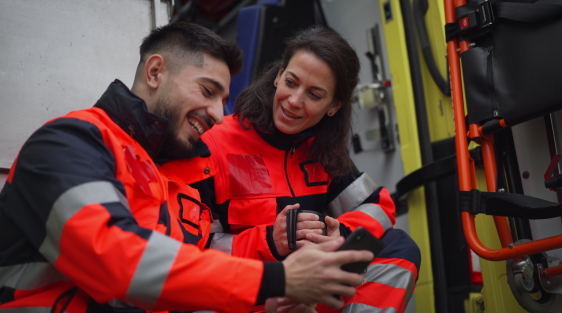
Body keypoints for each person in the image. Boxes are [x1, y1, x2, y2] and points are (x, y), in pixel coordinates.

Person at [0, 22, 375, 313]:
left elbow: (184, 278)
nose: (218, 114)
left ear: (334, 106)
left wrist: (265, 303)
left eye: (223, 100)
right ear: (155, 72)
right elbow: (119, 264)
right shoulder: (68, 143)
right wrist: (280, 280)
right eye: (207, 91)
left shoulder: (168, 177)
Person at [176, 25, 421, 312]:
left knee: (397, 247)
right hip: (246, 290)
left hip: (308, 292)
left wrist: (341, 231)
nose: (294, 101)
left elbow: (379, 207)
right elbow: (189, 248)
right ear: (278, 76)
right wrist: (269, 241)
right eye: (291, 82)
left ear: (334, 106)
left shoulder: (323, 150)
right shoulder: (214, 142)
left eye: (314, 95)